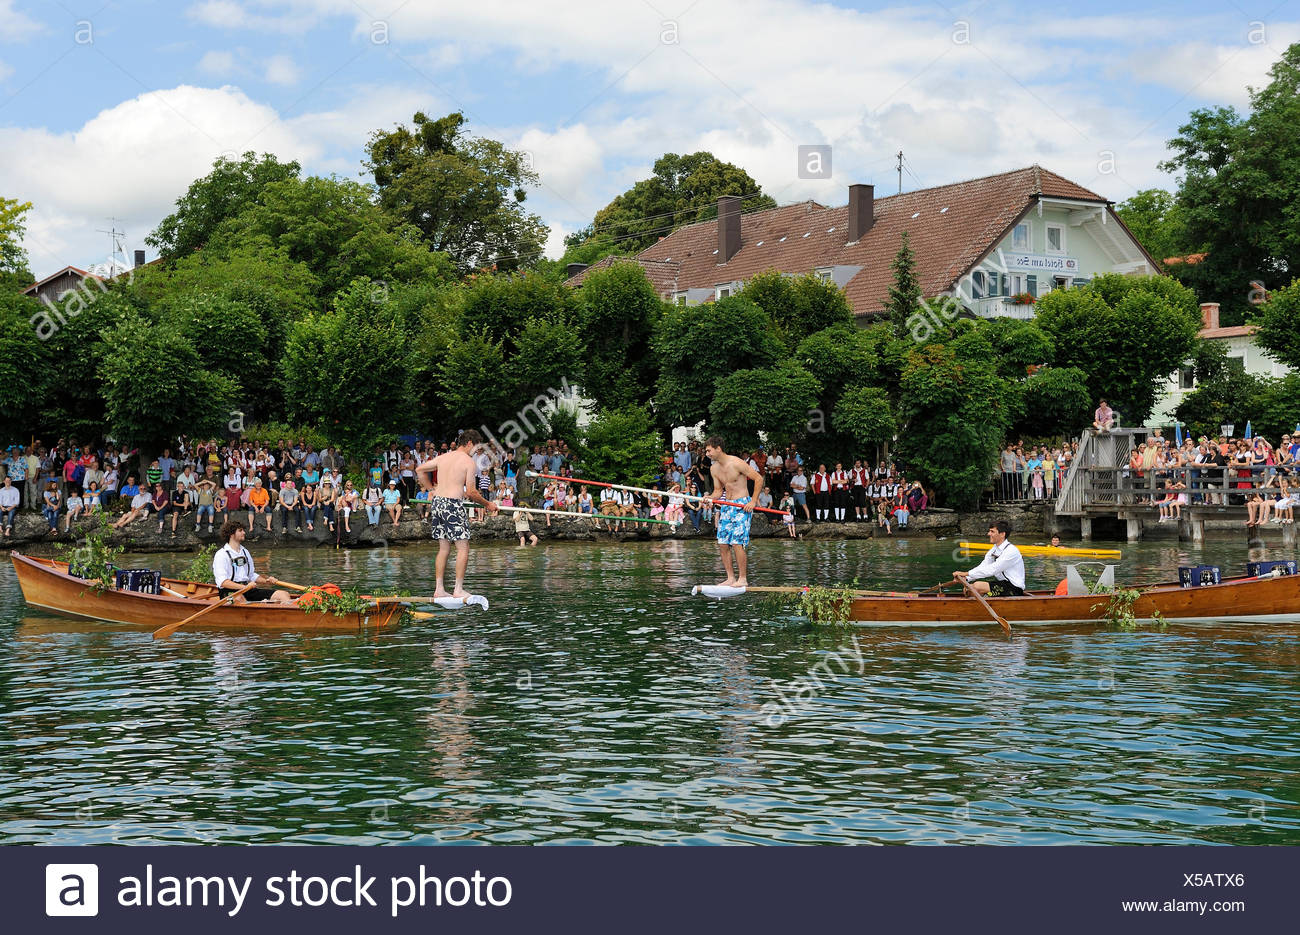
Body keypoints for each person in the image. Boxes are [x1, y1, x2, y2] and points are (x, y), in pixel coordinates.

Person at [415, 431, 499, 600]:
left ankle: (439, 588)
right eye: (476, 447)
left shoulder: (444, 457)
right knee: (463, 548)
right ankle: (458, 589)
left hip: (438, 503)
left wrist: (432, 489)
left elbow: (419, 470)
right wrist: (488, 504)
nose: (476, 451)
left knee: (444, 548)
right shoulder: (468, 462)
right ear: (469, 443)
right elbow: (473, 492)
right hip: (452, 505)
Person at [703, 436, 764, 588]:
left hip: (742, 505)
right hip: (726, 505)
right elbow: (718, 491)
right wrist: (709, 498)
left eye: (709, 450)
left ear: (718, 448)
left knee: (737, 542)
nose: (707, 454)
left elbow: (758, 478)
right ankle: (730, 578)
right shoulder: (714, 468)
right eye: (706, 451)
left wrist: (753, 500)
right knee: (723, 543)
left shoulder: (736, 463)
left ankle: (742, 578)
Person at [212, 520, 292, 603]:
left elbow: (251, 575)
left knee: (283, 594)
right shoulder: (221, 554)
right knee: (240, 599)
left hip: (248, 588)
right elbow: (223, 582)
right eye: (240, 531)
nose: (244, 533)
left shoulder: (245, 552)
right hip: (228, 591)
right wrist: (243, 587)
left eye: (243, 530)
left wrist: (267, 580)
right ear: (231, 535)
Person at [954, 520, 1025, 596]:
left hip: (1014, 589)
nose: (988, 534)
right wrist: (967, 577)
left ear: (1002, 534)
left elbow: (992, 569)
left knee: (976, 586)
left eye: (992, 531)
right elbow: (984, 566)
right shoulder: (994, 549)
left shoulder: (1011, 551)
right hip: (1003, 585)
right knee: (967, 589)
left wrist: (966, 573)